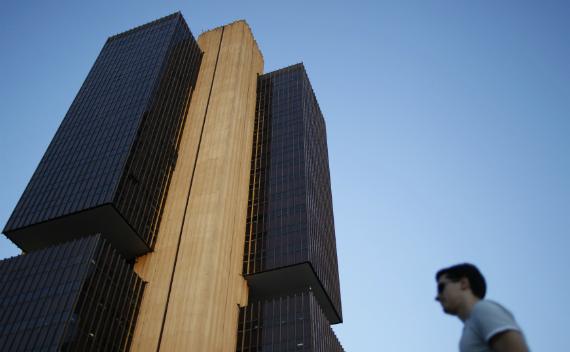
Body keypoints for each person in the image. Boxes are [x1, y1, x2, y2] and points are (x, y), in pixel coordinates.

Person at [435, 263, 530, 352]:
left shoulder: (482, 310)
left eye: (441, 288)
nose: (437, 297)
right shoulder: (470, 326)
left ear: (464, 283)